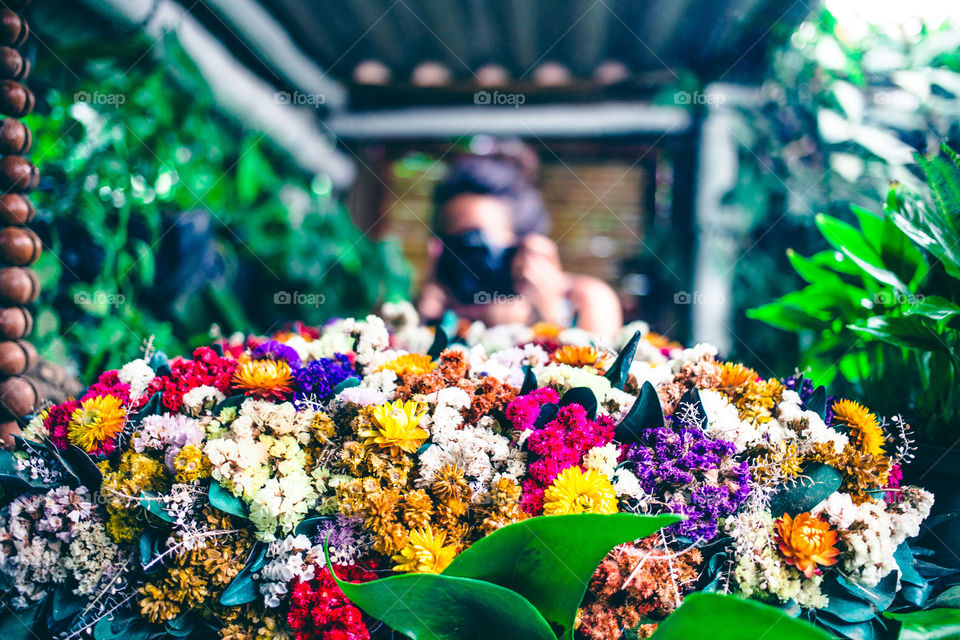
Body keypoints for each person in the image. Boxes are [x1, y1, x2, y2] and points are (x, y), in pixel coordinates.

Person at [417, 154, 623, 337]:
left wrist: (550, 322)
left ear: (523, 247)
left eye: (476, 244)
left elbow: (600, 367)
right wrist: (424, 325)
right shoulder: (441, 309)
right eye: (454, 247)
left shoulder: (584, 300)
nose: (465, 263)